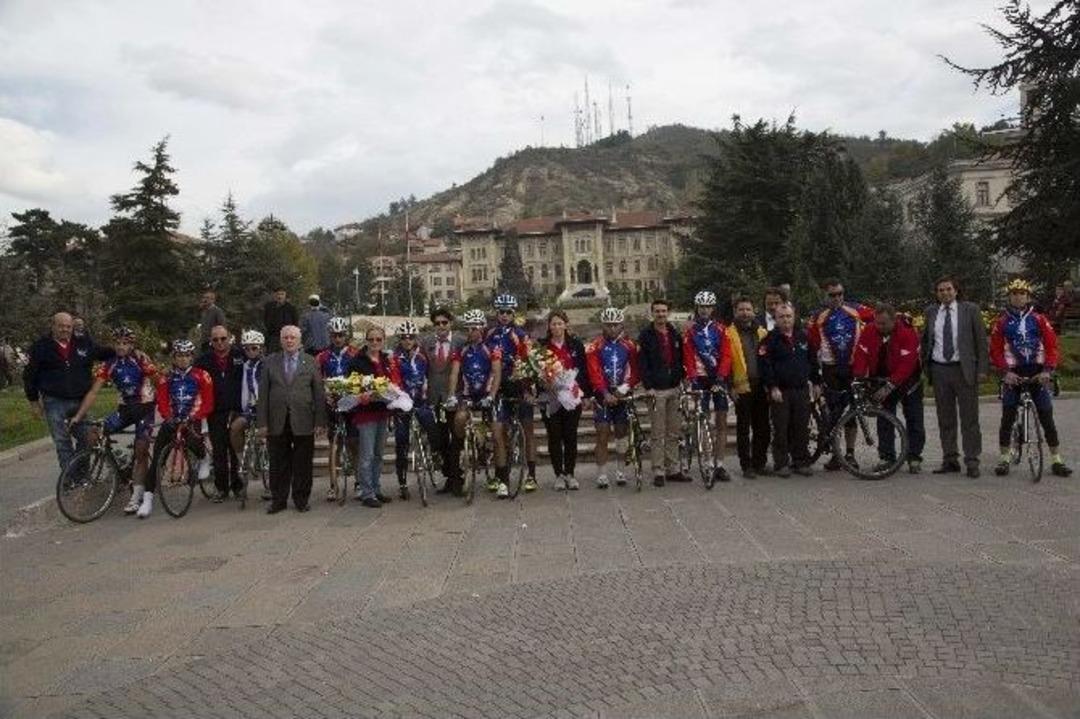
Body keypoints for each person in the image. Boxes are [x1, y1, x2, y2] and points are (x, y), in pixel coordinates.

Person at [68, 326, 158, 514]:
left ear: (132, 344)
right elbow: (94, 392)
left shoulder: (140, 359)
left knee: (141, 449)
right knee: (95, 434)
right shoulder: (109, 364)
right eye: (117, 343)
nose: (120, 347)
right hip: (125, 408)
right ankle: (117, 462)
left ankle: (137, 496)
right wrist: (78, 416)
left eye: (125, 343)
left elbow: (159, 381)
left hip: (144, 408)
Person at [990, 279, 1072, 478]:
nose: (1018, 297)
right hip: (1013, 373)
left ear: (1028, 297)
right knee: (1007, 417)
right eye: (1014, 294)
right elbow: (995, 350)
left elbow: (1052, 346)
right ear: (1010, 296)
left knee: (1046, 416)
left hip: (1037, 372)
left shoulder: (1039, 319)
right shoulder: (1001, 322)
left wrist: (1048, 370)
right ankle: (1004, 458)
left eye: (1022, 294)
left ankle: (1056, 459)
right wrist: (1005, 372)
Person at [23, 311, 114, 471]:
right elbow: (29, 376)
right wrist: (34, 402)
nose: (65, 330)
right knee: (62, 442)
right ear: (53, 326)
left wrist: (122, 351)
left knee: (88, 438)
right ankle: (70, 482)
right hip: (54, 401)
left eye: (68, 326)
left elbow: (102, 353)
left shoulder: (83, 342)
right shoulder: (41, 347)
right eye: (61, 326)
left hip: (81, 400)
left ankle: (81, 476)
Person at [921, 276, 988, 478]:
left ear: (956, 291)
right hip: (940, 370)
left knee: (970, 418)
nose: (945, 293)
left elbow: (981, 341)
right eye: (940, 290)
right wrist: (926, 366)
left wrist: (983, 369)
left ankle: (972, 460)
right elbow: (926, 340)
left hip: (964, 369)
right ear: (936, 293)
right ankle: (950, 459)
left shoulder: (971, 310)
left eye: (948, 289)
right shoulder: (931, 312)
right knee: (945, 418)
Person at [257, 325, 326, 514]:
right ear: (280, 341)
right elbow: (263, 395)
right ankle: (278, 500)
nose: (289, 340)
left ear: (300, 341)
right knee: (278, 462)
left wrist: (320, 421)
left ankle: (301, 499)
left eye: (293, 337)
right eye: (285, 337)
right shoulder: (270, 362)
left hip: (303, 419)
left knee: (303, 462)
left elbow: (318, 393)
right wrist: (262, 423)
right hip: (276, 420)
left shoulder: (310, 362)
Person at [807, 278, 874, 470]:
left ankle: (850, 454)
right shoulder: (818, 316)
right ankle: (835, 454)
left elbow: (879, 316)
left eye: (840, 294)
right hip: (830, 369)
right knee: (832, 413)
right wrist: (814, 373)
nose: (837, 298)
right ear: (825, 295)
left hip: (852, 368)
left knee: (852, 412)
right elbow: (811, 345)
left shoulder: (856, 309)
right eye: (832, 295)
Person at [852, 304, 925, 474]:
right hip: (881, 378)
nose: (879, 327)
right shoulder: (870, 330)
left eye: (884, 324)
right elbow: (861, 354)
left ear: (894, 321)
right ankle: (887, 457)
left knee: (914, 419)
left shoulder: (907, 332)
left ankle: (914, 457)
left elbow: (907, 365)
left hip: (908, 381)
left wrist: (890, 385)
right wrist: (859, 377)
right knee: (884, 419)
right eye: (877, 323)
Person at [151, 340, 214, 518]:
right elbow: (162, 400)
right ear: (174, 357)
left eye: (187, 355)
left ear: (192, 357)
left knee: (193, 438)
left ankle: (203, 458)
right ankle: (157, 472)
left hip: (194, 415)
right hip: (174, 416)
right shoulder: (167, 377)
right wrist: (167, 416)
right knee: (162, 441)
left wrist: (195, 416)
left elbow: (208, 402)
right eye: (179, 356)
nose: (183, 359)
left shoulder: (202, 375)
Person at [759, 303, 820, 477]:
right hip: (781, 392)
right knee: (781, 428)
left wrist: (816, 382)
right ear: (776, 319)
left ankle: (800, 461)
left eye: (788, 316)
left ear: (794, 317)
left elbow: (813, 361)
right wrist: (773, 387)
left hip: (801, 390)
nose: (786, 320)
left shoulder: (803, 337)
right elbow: (766, 365)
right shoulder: (769, 340)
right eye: (782, 317)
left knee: (801, 427)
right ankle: (781, 463)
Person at [486, 294, 537, 496]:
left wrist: (530, 387)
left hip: (519, 384)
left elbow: (531, 362)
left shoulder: (521, 334)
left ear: (514, 313)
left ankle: (531, 474)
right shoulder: (490, 334)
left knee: (528, 429)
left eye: (508, 312)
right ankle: (502, 478)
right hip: (499, 386)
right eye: (501, 312)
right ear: (496, 313)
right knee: (498, 433)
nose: (505, 316)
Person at [446, 309, 502, 491]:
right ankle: (466, 447)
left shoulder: (491, 348)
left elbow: (496, 372)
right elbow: (454, 373)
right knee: (460, 418)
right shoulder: (461, 350)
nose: (470, 332)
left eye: (474, 329)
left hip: (486, 394)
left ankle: (499, 474)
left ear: (482, 329)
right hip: (469, 394)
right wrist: (451, 395)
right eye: (467, 329)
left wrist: (491, 396)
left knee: (496, 433)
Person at [683, 290, 734, 484]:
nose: (704, 310)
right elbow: (688, 357)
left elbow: (726, 355)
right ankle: (706, 461)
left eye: (708, 306)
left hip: (717, 378)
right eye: (701, 307)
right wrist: (692, 378)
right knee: (702, 420)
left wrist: (721, 378)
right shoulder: (691, 332)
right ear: (697, 308)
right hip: (700, 379)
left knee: (721, 421)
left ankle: (719, 463)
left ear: (713, 308)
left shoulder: (721, 330)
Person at [347, 325, 400, 507]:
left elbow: (393, 382)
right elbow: (351, 386)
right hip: (366, 413)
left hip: (382, 412)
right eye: (371, 339)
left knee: (378, 454)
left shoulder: (386, 360)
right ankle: (366, 492)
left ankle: (376, 489)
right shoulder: (357, 361)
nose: (375, 343)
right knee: (367, 454)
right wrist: (362, 395)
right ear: (366, 341)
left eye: (378, 339)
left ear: (384, 341)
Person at [586, 307, 638, 489]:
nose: (612, 329)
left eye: (616, 325)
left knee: (621, 434)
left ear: (621, 325)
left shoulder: (629, 346)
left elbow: (634, 371)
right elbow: (594, 372)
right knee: (602, 433)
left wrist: (623, 389)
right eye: (609, 325)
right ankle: (601, 473)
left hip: (622, 393)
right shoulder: (595, 346)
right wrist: (605, 393)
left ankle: (621, 470)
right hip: (603, 396)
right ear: (603, 325)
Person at [637, 298, 686, 486]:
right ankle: (658, 470)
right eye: (657, 311)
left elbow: (679, 357)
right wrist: (647, 386)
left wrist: (681, 377)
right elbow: (642, 363)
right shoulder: (646, 335)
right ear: (652, 313)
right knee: (658, 433)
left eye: (664, 311)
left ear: (668, 313)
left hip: (673, 387)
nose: (661, 314)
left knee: (674, 431)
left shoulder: (674, 333)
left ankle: (673, 468)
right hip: (656, 390)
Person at [539, 310, 589, 490]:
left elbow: (583, 370)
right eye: (553, 324)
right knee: (554, 436)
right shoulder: (542, 347)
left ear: (566, 325)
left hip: (571, 396)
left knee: (570, 435)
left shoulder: (575, 345)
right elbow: (535, 370)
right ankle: (558, 474)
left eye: (560, 323)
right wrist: (544, 383)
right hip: (550, 396)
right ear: (549, 326)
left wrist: (585, 394)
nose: (557, 327)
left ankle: (570, 473)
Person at [195, 325, 245, 502]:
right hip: (215, 411)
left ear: (229, 338)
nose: (220, 343)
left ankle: (238, 485)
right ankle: (221, 487)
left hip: (236, 409)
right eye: (215, 339)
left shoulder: (240, 355)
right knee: (219, 450)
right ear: (211, 341)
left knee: (235, 449)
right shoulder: (203, 360)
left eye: (223, 338)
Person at [391, 320, 436, 501]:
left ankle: (434, 453)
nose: (407, 340)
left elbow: (430, 376)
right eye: (404, 337)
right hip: (402, 404)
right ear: (400, 339)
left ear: (415, 338)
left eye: (410, 337)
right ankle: (402, 482)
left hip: (421, 401)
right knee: (401, 441)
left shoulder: (422, 356)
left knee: (432, 427)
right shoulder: (394, 357)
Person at [317, 316, 359, 501]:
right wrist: (324, 394)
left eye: (341, 335)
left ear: (346, 335)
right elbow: (318, 379)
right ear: (330, 336)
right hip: (332, 403)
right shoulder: (322, 356)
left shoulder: (354, 353)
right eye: (334, 335)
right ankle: (333, 485)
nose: (338, 338)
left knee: (354, 444)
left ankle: (359, 482)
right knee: (334, 445)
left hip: (351, 403)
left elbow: (360, 376)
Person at [423, 307, 465, 495]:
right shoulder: (426, 342)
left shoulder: (460, 342)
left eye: (444, 323)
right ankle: (449, 475)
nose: (440, 326)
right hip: (434, 396)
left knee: (456, 438)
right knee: (439, 439)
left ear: (451, 323)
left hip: (454, 395)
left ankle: (457, 478)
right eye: (437, 323)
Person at [728, 297, 770, 478]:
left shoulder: (763, 333)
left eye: (748, 309)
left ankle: (760, 462)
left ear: (754, 312)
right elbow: (726, 363)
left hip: (761, 386)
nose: (745, 313)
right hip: (741, 387)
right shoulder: (728, 334)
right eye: (741, 310)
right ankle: (747, 466)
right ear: (735, 312)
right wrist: (730, 386)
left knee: (763, 427)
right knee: (743, 428)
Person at [229, 330, 265, 497]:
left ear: (261, 348)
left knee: (265, 436)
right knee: (235, 427)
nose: (250, 351)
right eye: (247, 348)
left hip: (265, 409)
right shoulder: (243, 366)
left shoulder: (266, 365)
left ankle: (270, 479)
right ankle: (242, 458)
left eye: (254, 348)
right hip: (248, 409)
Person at [263, 286, 299, 353]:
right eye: (278, 294)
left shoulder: (291, 308)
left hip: (286, 337)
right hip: (273, 338)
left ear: (285, 295)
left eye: (282, 294)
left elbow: (295, 323)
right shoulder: (269, 307)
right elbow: (265, 321)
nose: (280, 296)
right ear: (275, 295)